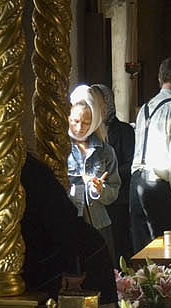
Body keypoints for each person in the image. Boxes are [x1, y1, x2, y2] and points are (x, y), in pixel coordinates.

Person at [22, 154, 117, 305]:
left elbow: (62, 219)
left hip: (79, 256)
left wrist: (74, 267)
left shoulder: (28, 170)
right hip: (54, 256)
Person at [130, 57, 171, 253]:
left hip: (135, 185)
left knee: (143, 255)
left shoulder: (145, 109)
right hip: (158, 188)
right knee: (166, 256)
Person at [67, 84, 121, 264]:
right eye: (75, 121)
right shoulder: (61, 148)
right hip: (68, 221)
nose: (79, 127)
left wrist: (99, 190)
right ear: (68, 118)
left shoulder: (105, 151)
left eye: (86, 122)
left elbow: (113, 190)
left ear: (94, 122)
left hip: (98, 223)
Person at [91, 83, 135, 264]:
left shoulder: (124, 130)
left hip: (118, 198)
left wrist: (108, 173)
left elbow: (131, 163)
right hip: (96, 200)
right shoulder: (90, 132)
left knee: (119, 244)